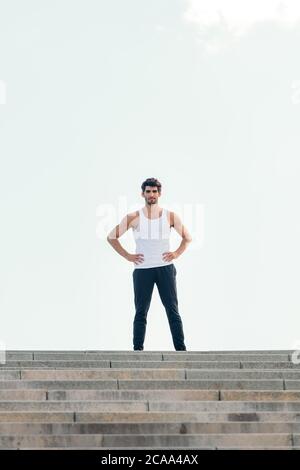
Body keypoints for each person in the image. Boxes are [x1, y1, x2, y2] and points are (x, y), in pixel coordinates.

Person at [107, 177, 192, 351]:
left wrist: (175, 253)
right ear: (142, 194)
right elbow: (111, 237)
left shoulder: (170, 216)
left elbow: (187, 238)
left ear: (159, 194)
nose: (151, 194)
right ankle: (137, 350)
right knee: (141, 312)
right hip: (142, 270)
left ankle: (181, 350)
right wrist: (128, 256)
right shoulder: (133, 217)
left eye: (154, 191)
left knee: (172, 310)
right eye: (148, 191)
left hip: (165, 268)